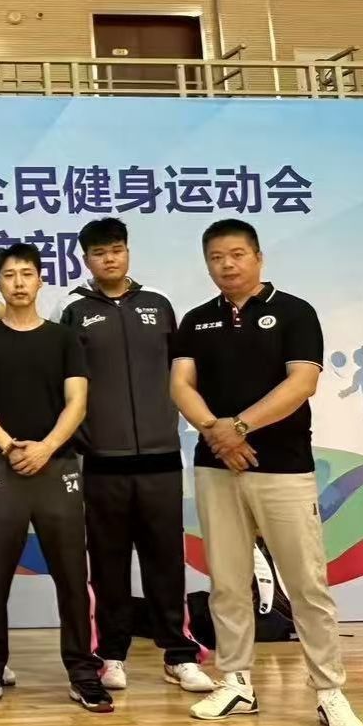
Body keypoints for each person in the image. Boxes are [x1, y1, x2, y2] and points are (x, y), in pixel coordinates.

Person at [171, 219, 363, 726]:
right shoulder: (195, 320)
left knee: (306, 584)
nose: (227, 265)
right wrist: (217, 433)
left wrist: (238, 427)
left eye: (237, 254)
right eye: (216, 257)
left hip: (282, 466)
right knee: (227, 582)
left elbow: (302, 383)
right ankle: (235, 682)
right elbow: (181, 385)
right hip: (216, 466)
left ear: (258, 257)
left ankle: (329, 690)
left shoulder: (295, 312)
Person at [59, 219, 211, 695]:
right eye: (99, 252)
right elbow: (65, 383)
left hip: (161, 457)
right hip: (102, 461)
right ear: (86, 259)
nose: (110, 258)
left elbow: (182, 374)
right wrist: (82, 438)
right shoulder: (73, 311)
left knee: (166, 561)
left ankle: (179, 654)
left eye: (117, 249)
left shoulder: (158, 305)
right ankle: (112, 655)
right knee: (107, 564)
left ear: (127, 252)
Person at [0, 243, 109, 714]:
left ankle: (84, 673)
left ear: (41, 279)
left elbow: (77, 403)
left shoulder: (63, 338)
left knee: (73, 576)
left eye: (27, 273)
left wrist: (46, 447)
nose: (19, 283)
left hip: (57, 466)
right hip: (0, 465)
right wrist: (9, 446)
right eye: (9, 275)